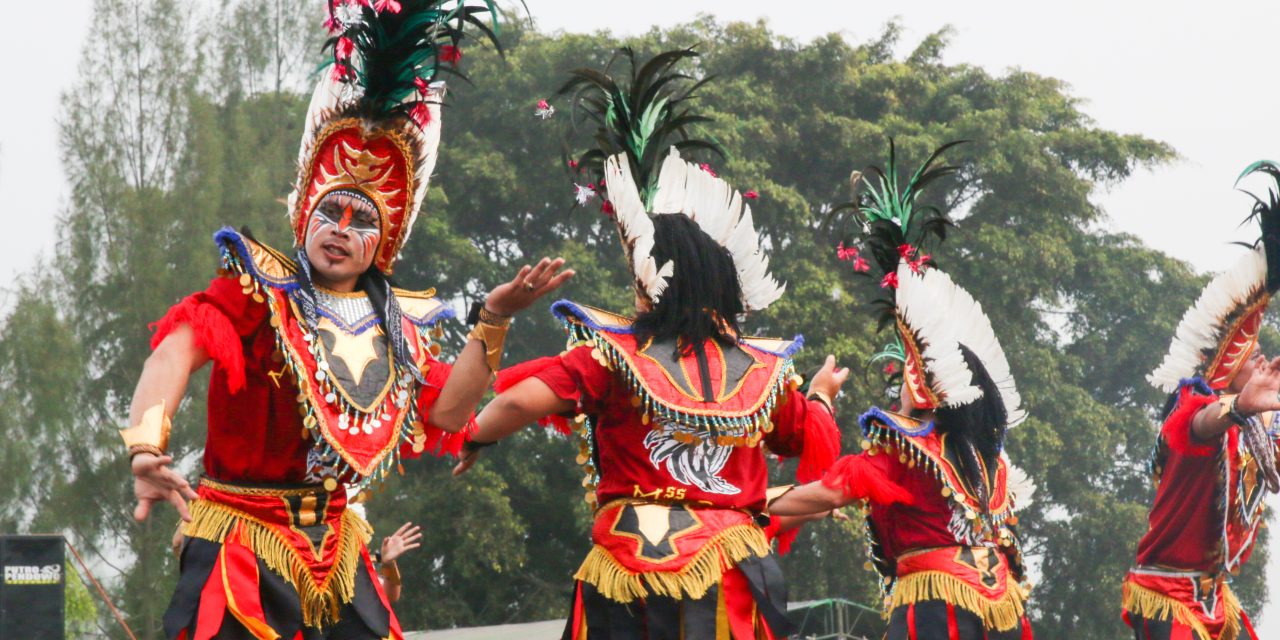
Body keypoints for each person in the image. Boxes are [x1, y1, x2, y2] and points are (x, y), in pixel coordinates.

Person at [118, 2, 570, 638]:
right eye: (330, 213)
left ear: (383, 243)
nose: (341, 231)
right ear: (305, 215)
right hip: (240, 547)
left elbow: (446, 414)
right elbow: (172, 352)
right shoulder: (255, 296)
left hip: (339, 549)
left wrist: (492, 316)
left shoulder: (399, 328)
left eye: (362, 222)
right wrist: (145, 445)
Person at [451, 48, 875, 639]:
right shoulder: (763, 375)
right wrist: (824, 397)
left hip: (631, 567)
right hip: (729, 572)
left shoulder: (613, 356)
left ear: (654, 278)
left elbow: (519, 401)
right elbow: (810, 459)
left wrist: (478, 435)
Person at [768, 142, 1035, 639]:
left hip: (939, 608)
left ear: (924, 383)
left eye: (903, 377)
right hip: (1003, 609)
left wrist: (739, 503)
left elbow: (828, 495)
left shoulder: (906, 451)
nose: (898, 393)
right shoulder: (987, 460)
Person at [1121, 161, 1280, 640]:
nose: (1262, 361)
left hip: (1215, 594)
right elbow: (1206, 422)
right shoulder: (1192, 407)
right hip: (1169, 596)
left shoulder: (1260, 433)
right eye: (1251, 355)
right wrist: (1238, 407)